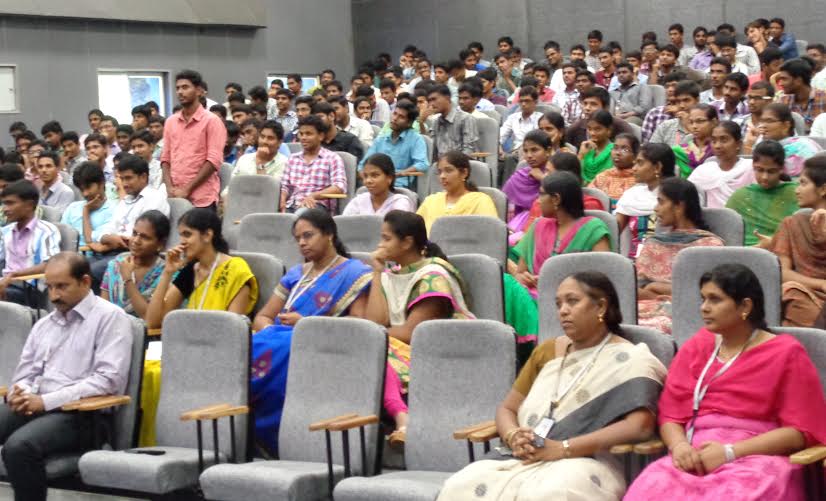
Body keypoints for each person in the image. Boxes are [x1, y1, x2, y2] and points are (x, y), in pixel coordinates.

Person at [438, 272, 666, 501]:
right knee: (459, 486)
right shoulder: (547, 352)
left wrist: (562, 448)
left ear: (601, 307)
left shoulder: (632, 360)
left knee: (553, 493)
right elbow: (507, 408)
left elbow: (640, 427)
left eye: (572, 301)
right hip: (523, 456)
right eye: (558, 304)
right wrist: (513, 435)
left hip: (587, 459)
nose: (563, 310)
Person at [625, 264, 826, 501]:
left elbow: (801, 432)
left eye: (715, 299)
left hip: (759, 457)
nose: (704, 308)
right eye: (703, 299)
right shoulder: (698, 346)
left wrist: (730, 452)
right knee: (652, 485)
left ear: (745, 306)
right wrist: (679, 447)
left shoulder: (785, 353)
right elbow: (671, 415)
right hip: (694, 455)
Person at [0, 252, 133, 501]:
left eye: (62, 286)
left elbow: (108, 381)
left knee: (19, 447)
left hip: (84, 416)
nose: (53, 296)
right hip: (37, 404)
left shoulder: (110, 318)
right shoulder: (44, 324)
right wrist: (21, 392)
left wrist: (45, 401)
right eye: (49, 287)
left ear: (85, 281)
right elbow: (25, 373)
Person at [250, 209, 371, 454]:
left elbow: (357, 324)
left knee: (285, 348)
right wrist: (273, 331)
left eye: (308, 235)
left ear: (329, 235)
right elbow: (262, 317)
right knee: (250, 346)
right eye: (298, 239)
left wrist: (305, 324)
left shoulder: (355, 273)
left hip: (322, 344)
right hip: (279, 338)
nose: (302, 243)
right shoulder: (296, 274)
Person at [365, 210, 474, 445]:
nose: (380, 244)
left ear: (407, 242)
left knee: (372, 349)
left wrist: (371, 337)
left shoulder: (433, 276)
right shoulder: (390, 274)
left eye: (386, 238)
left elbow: (410, 334)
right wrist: (376, 272)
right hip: (394, 345)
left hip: (437, 352)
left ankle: (403, 419)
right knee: (369, 349)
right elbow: (375, 322)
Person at [636, 178, 724, 333]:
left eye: (661, 202)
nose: (656, 208)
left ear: (679, 206)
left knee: (655, 328)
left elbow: (710, 293)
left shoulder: (710, 247)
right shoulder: (654, 244)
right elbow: (636, 289)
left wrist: (656, 287)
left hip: (689, 311)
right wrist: (658, 291)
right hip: (644, 306)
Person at [145, 208, 257, 329]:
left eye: (187, 234)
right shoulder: (190, 270)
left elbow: (233, 329)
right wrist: (167, 273)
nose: (181, 242)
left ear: (207, 235)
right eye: (181, 235)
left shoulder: (236, 270)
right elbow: (153, 322)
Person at [512, 171, 611, 298]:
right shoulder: (539, 226)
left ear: (556, 199)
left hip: (576, 300)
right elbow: (520, 273)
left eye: (541, 194)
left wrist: (555, 282)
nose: (538, 201)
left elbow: (604, 277)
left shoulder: (593, 229)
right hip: (534, 296)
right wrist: (525, 278)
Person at [94, 155, 170, 284]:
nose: (124, 184)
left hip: (135, 255)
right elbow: (107, 228)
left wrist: (118, 239)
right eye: (122, 178)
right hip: (111, 251)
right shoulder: (126, 200)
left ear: (143, 177)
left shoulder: (155, 199)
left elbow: (144, 235)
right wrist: (107, 237)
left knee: (87, 271)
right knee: (76, 263)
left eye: (128, 178)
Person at [160, 70, 227, 209]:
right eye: (178, 88)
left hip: (202, 197)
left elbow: (213, 160)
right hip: (174, 195)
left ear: (199, 91)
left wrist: (187, 189)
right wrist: (169, 187)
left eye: (185, 87)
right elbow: (165, 159)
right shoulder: (171, 122)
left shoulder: (212, 121)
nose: (180, 92)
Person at [771, 157, 826, 327]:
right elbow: (782, 274)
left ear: (823, 189)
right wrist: (822, 284)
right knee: (791, 291)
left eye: (803, 183)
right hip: (806, 294)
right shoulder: (791, 224)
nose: (797, 190)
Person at [0, 180, 61, 306]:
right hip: (6, 283)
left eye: (10, 203)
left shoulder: (46, 231)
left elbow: (50, 264)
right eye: (4, 204)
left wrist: (15, 274)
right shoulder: (5, 232)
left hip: (30, 289)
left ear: (29, 205)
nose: (5, 209)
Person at [727, 140, 799, 247]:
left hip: (781, 251)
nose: (765, 177)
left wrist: (773, 243)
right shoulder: (741, 196)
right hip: (742, 253)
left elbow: (800, 235)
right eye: (760, 170)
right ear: (753, 166)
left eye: (771, 171)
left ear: (781, 169)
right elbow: (727, 232)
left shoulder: (796, 193)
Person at [101, 210, 171, 319]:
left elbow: (148, 316)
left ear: (161, 244)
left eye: (145, 237)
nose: (136, 241)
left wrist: (128, 280)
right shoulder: (117, 263)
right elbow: (103, 307)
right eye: (134, 233)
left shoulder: (167, 273)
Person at [616, 143, 677, 258]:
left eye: (640, 163)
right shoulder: (632, 195)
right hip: (632, 261)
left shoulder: (677, 196)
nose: (634, 168)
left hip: (668, 258)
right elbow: (614, 231)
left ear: (657, 167)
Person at [279, 115, 347, 214]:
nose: (303, 137)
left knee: (300, 215)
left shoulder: (332, 158)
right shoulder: (292, 159)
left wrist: (314, 195)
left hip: (317, 206)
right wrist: (282, 201)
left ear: (321, 136)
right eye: (301, 134)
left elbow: (339, 187)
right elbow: (285, 186)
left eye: (308, 134)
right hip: (292, 205)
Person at [416, 151, 497, 233]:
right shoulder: (431, 201)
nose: (442, 176)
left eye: (448, 170)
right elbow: (414, 230)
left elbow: (491, 233)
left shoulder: (480, 201)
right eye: (440, 172)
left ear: (464, 173)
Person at [358, 99, 429, 189]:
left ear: (409, 123)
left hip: (400, 186)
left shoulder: (416, 139)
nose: (395, 118)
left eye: (401, 117)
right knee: (361, 192)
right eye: (395, 114)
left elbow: (422, 164)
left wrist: (401, 173)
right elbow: (362, 165)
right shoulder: (380, 140)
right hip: (376, 185)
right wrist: (367, 179)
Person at [688, 122, 753, 209]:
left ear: (738, 144)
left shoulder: (750, 168)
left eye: (724, 140)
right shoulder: (703, 171)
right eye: (714, 141)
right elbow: (687, 195)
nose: (717, 146)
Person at [503, 130, 559, 228]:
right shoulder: (520, 176)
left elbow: (564, 199)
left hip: (551, 223)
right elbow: (503, 202)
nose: (529, 155)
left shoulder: (558, 172)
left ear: (548, 151)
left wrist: (542, 178)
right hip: (520, 222)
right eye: (526, 151)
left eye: (534, 150)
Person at [221, 120, 287, 199]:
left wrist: (260, 162)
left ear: (279, 142)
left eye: (270, 138)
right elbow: (231, 186)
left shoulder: (284, 163)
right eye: (262, 137)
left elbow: (267, 192)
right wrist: (225, 198)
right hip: (238, 201)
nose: (264, 141)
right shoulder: (244, 159)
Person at [755, 103, 822, 178]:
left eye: (769, 121)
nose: (763, 125)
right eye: (762, 121)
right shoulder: (760, 143)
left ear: (786, 125)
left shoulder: (803, 148)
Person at [60, 162, 115, 251]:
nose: (85, 194)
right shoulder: (72, 208)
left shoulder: (114, 210)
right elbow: (62, 237)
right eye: (82, 190)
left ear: (101, 183)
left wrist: (86, 210)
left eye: (88, 187)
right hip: (69, 254)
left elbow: (94, 241)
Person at [343, 153, 415, 215]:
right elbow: (344, 224)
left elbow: (399, 226)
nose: (368, 181)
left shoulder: (400, 202)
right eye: (365, 176)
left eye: (375, 175)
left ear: (389, 178)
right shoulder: (358, 201)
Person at [428, 84, 479, 160]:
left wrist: (448, 164)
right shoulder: (435, 122)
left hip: (461, 164)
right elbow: (433, 153)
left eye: (434, 99)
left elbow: (469, 151)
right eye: (429, 101)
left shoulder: (466, 119)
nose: (431, 104)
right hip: (440, 165)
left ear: (447, 98)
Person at [775, 59, 826, 132]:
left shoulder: (823, 98)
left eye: (784, 79)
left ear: (798, 80)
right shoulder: (783, 102)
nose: (780, 83)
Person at [590, 133, 639, 209]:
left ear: (635, 156)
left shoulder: (639, 180)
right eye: (615, 148)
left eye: (625, 150)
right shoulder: (602, 176)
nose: (617, 153)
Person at [650, 81, 701, 146]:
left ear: (697, 100)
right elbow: (652, 150)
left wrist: (688, 126)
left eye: (686, 100)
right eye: (678, 101)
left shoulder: (705, 125)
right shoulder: (666, 126)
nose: (682, 106)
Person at [673, 105, 718, 176]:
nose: (694, 126)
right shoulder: (678, 152)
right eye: (691, 122)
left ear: (713, 122)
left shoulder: (720, 150)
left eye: (699, 121)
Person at [578, 110, 615, 184]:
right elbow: (574, 175)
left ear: (609, 130)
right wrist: (581, 155)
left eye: (597, 129)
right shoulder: (586, 148)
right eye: (589, 129)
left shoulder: (615, 151)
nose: (592, 133)